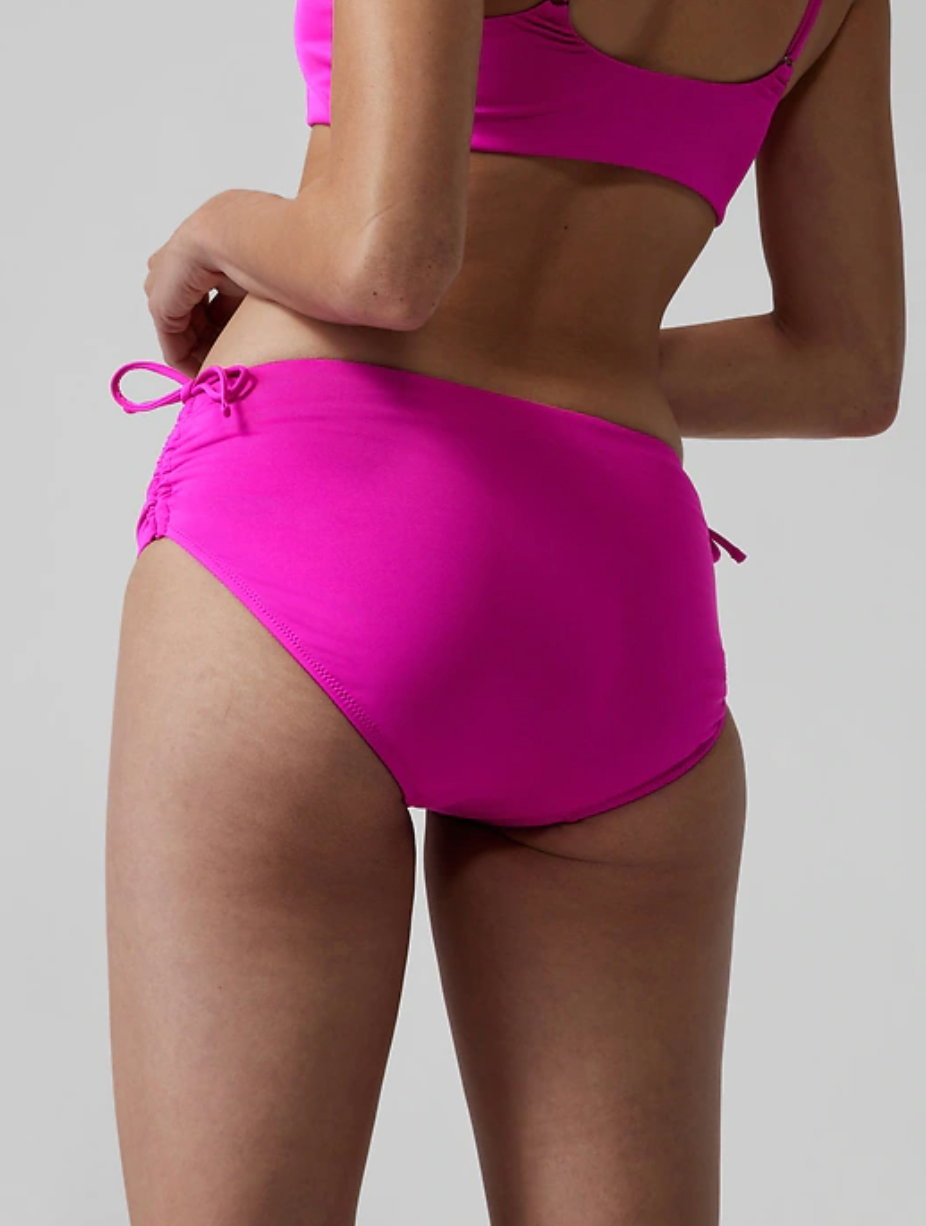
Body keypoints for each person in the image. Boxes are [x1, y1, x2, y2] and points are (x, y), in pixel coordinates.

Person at [105, 1, 904, 1222]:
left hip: (318, 526)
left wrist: (202, 234)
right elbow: (844, 371)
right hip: (610, 590)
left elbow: (384, 263)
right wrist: (586, 365)